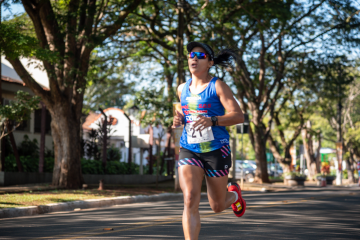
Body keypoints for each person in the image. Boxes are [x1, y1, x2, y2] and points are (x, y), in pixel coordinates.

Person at [172, 42, 246, 240]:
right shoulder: (182, 88)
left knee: (217, 206)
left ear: (210, 62)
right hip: (190, 148)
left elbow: (239, 116)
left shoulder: (218, 86)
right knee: (189, 199)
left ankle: (234, 195)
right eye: (191, 55)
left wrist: (212, 120)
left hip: (215, 150)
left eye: (200, 55)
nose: (193, 58)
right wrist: (178, 118)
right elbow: (180, 108)